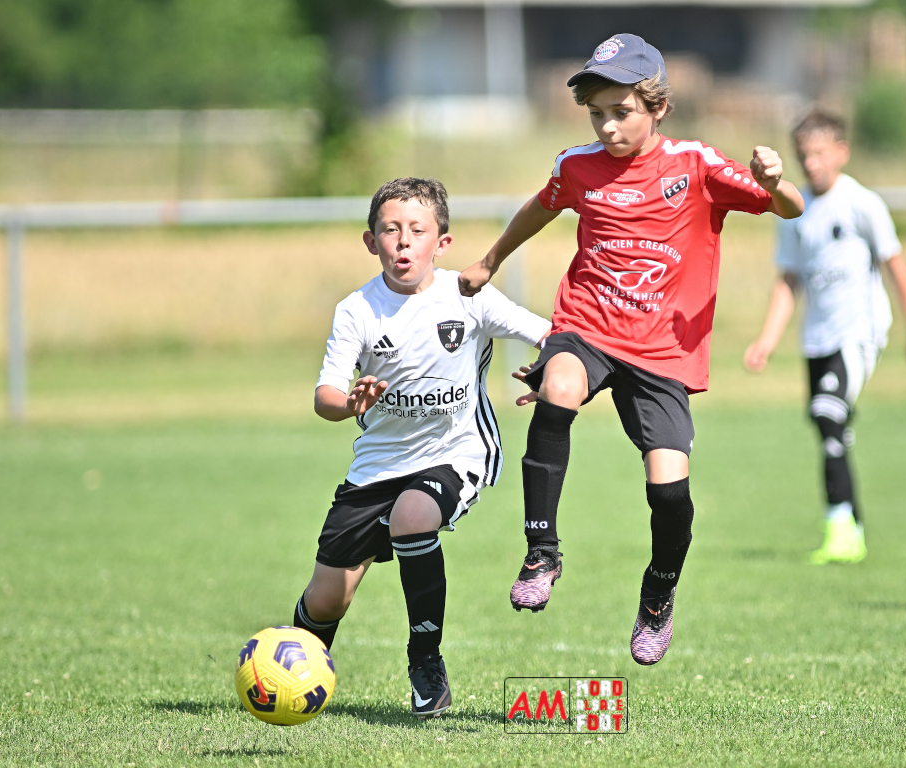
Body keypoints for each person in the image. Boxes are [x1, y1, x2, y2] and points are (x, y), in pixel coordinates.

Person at [458, 33, 804, 666]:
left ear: (659, 107)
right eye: (597, 114)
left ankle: (658, 596)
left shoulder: (696, 164)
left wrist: (775, 182)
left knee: (669, 491)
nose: (608, 127)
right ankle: (541, 553)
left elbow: (790, 208)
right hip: (588, 325)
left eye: (621, 112)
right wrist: (491, 259)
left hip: (662, 353)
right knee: (558, 387)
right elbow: (540, 208)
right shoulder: (577, 166)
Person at [292, 178, 550, 718]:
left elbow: (548, 334)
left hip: (457, 452)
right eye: (390, 230)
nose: (403, 241)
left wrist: (553, 370)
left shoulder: (468, 296)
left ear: (443, 242)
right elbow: (325, 397)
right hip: (376, 466)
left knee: (413, 516)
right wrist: (351, 404)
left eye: (417, 230)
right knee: (326, 600)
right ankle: (291, 673)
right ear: (372, 242)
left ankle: (425, 663)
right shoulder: (357, 310)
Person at [743, 109, 906, 564]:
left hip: (859, 331)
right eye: (803, 155)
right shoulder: (793, 209)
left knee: (826, 413)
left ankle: (840, 530)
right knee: (831, 430)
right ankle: (851, 528)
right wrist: (767, 339)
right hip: (817, 337)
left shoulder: (861, 203)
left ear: (841, 153)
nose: (811, 164)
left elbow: (895, 266)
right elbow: (789, 280)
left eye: (819, 154)